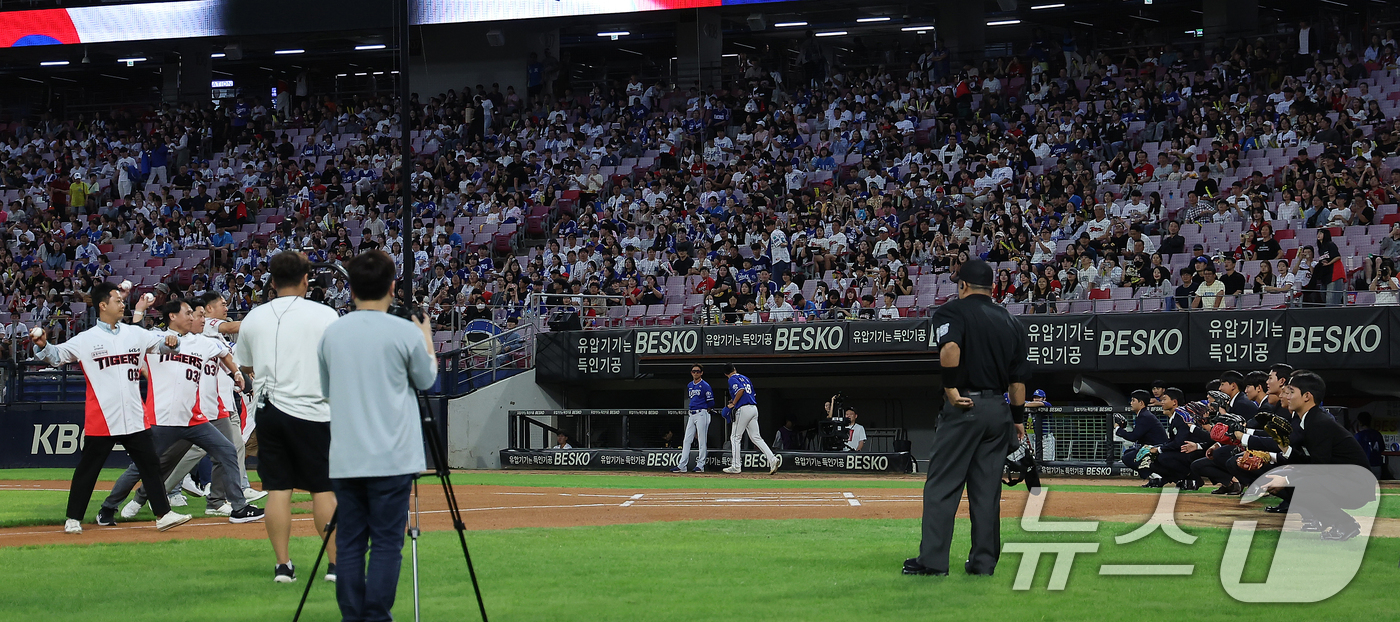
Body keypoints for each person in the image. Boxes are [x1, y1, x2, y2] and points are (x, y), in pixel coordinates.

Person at [318, 250, 438, 621]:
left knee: (351, 541)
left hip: (347, 456)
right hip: (393, 455)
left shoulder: (332, 333)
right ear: (392, 287)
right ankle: (376, 616)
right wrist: (427, 336)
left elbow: (326, 390)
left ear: (350, 289)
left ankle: (353, 616)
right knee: (388, 541)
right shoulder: (404, 331)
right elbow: (426, 380)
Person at [31, 283, 192, 534]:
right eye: (117, 300)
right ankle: (73, 518)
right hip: (102, 416)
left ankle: (163, 514)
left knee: (150, 466)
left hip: (135, 416)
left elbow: (164, 346)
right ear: (102, 306)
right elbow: (56, 356)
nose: (122, 304)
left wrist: (172, 342)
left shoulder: (135, 333)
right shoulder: (86, 339)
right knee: (89, 470)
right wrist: (42, 345)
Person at [906, 259, 1031, 577]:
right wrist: (1018, 420)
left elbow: (950, 349)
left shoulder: (952, 311)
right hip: (998, 411)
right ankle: (983, 563)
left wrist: (950, 387)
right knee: (987, 491)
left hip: (964, 407)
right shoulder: (1010, 321)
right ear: (991, 288)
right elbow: (1017, 383)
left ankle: (933, 562)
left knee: (943, 485)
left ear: (962, 285)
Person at [102, 299, 264, 524]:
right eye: (187, 313)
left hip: (194, 419)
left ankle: (238, 507)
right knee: (142, 466)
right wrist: (139, 310)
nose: (192, 317)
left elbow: (223, 354)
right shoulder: (155, 339)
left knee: (228, 450)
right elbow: (133, 335)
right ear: (172, 316)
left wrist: (236, 373)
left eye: (193, 313)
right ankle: (108, 507)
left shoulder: (202, 342)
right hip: (162, 419)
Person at [234, 251, 342, 583]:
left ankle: (283, 566)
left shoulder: (254, 317)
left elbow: (246, 365)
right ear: (306, 279)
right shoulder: (326, 315)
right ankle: (336, 567)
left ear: (273, 280)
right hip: (314, 410)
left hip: (270, 411)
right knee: (322, 489)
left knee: (279, 489)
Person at [720, 363, 780, 475]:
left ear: (725, 374)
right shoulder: (745, 378)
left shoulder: (732, 379)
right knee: (756, 437)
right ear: (734, 369)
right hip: (753, 408)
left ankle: (736, 466)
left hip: (743, 409)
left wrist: (734, 402)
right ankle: (772, 459)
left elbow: (740, 390)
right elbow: (750, 392)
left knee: (735, 437)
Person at [1113, 389, 1169, 484]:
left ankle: (1157, 476)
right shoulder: (1142, 415)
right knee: (1129, 452)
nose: (1131, 403)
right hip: (1152, 448)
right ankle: (1155, 475)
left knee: (1127, 458)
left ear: (1141, 403)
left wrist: (1118, 429)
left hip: (1158, 450)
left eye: (1133, 400)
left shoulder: (1144, 416)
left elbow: (1133, 437)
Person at [674, 363, 716, 473]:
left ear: (701, 373)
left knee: (702, 440)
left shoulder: (705, 385)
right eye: (693, 371)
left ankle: (700, 465)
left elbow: (711, 401)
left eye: (698, 371)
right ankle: (682, 465)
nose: (695, 373)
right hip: (691, 414)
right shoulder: (690, 385)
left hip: (702, 413)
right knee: (687, 440)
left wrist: (706, 410)